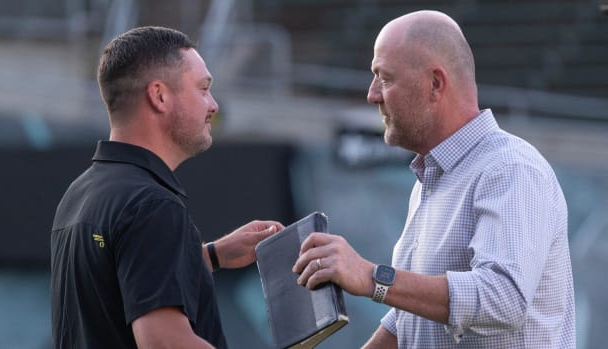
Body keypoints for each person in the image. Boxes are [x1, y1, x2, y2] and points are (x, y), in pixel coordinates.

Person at [293, 10, 575, 348]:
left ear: (435, 84)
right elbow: (411, 317)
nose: (372, 95)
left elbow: (503, 298)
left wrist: (371, 277)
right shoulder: (432, 179)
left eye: (385, 78)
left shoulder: (510, 168)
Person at [50, 26, 283, 349]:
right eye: (203, 89)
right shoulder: (151, 206)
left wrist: (211, 256)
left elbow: (116, 287)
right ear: (159, 95)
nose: (213, 105)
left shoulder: (80, 192)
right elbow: (164, 342)